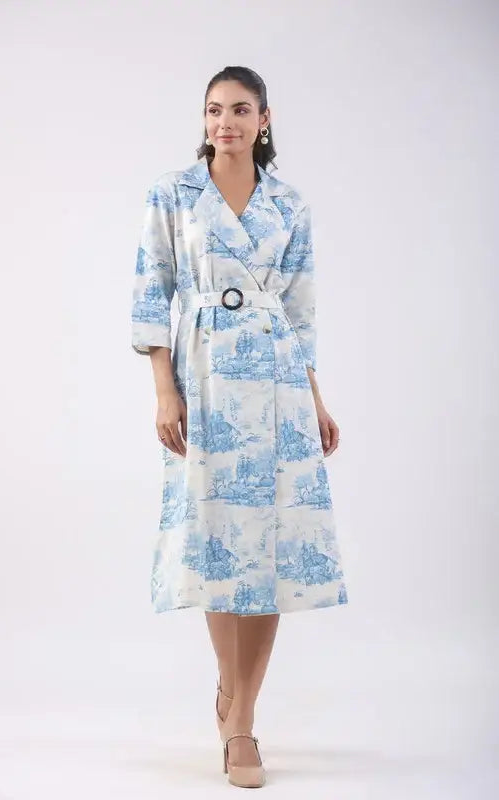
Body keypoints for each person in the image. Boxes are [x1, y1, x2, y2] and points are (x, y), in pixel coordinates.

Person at [131, 65, 349, 788]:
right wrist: (165, 390)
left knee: (272, 548)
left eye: (240, 109)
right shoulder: (173, 193)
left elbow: (301, 310)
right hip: (203, 378)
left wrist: (315, 398)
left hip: (279, 380)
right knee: (220, 540)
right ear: (203, 119)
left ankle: (243, 719)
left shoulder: (289, 203)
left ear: (264, 119)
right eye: (214, 109)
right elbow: (152, 292)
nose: (224, 122)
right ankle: (229, 690)